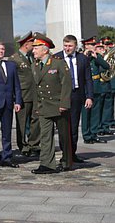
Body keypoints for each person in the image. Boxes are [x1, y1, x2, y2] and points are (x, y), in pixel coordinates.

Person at [29, 34, 72, 174]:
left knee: (64, 136)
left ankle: (67, 161)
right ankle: (47, 164)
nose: (33, 50)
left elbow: (66, 84)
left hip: (58, 105)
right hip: (44, 106)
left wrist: (64, 103)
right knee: (45, 136)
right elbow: (36, 88)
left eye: (36, 48)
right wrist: (36, 107)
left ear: (45, 50)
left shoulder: (57, 63)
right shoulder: (34, 65)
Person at [54, 35, 93, 164]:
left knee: (74, 126)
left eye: (70, 46)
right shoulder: (57, 57)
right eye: (65, 46)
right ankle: (65, 154)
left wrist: (89, 96)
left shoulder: (82, 59)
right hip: (61, 95)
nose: (67, 48)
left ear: (75, 46)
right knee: (63, 126)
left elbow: (88, 79)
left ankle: (72, 153)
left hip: (76, 95)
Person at [0, 41, 22, 168]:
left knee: (7, 132)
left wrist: (18, 101)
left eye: (3, 49)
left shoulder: (11, 65)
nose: (1, 51)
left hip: (8, 103)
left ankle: (7, 157)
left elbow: (16, 85)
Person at [9, 32, 40, 157]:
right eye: (33, 44)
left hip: (35, 94)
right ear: (27, 44)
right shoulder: (14, 59)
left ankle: (35, 144)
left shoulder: (33, 57)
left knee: (36, 120)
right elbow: (12, 79)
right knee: (22, 122)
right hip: (22, 95)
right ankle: (23, 146)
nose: (35, 47)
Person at [89, 41, 111, 143]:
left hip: (99, 87)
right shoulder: (85, 57)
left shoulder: (98, 58)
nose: (102, 49)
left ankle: (95, 132)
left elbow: (107, 66)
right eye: (99, 47)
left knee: (97, 112)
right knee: (87, 114)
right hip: (89, 87)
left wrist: (97, 57)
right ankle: (88, 134)